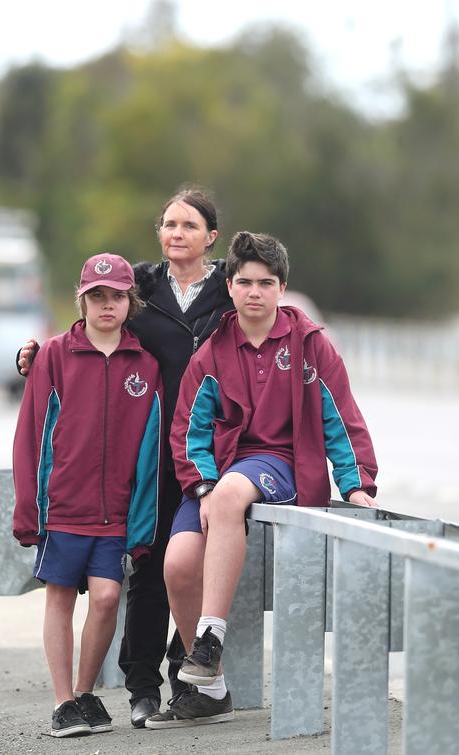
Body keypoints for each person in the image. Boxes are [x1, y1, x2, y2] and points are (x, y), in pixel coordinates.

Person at [17, 187, 235, 728]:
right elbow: (89, 322)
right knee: (148, 567)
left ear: (211, 236)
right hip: (149, 455)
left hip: (211, 449)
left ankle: (194, 673)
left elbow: (271, 323)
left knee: (191, 563)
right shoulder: (142, 284)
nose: (177, 233)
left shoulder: (232, 287)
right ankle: (142, 686)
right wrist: (34, 354)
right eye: (168, 224)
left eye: (189, 225)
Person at [144, 230, 378, 729]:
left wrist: (356, 483)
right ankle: (212, 691)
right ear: (229, 286)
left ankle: (209, 640)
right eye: (245, 281)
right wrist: (202, 484)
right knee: (179, 565)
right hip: (219, 473)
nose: (255, 291)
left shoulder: (311, 345)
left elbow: (341, 419)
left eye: (265, 283)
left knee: (230, 494)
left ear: (282, 287)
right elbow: (189, 429)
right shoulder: (211, 352)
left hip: (280, 465)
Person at [12, 252, 163, 738]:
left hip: (115, 513)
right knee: (59, 599)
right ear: (81, 299)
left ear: (129, 301)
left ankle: (84, 693)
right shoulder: (53, 355)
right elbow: (30, 435)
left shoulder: (146, 365)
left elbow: (151, 451)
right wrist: (30, 510)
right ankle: (62, 703)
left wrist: (142, 520)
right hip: (63, 509)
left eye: (116, 296)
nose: (106, 305)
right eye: (96, 296)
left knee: (106, 597)